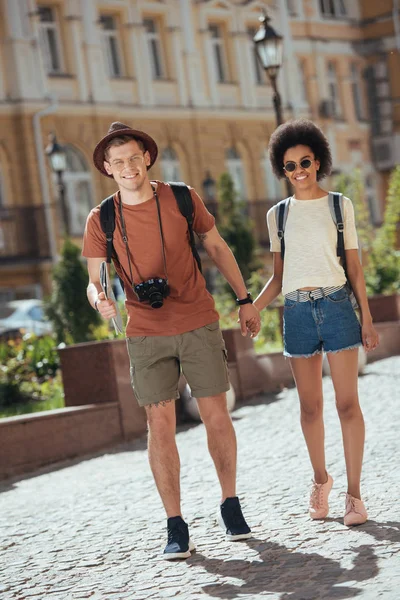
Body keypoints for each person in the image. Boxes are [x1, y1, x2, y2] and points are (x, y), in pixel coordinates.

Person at [82, 122, 260, 559]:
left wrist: (245, 299)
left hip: (197, 320)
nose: (127, 166)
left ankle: (230, 503)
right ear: (108, 168)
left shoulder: (181, 196)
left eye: (133, 157)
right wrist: (101, 301)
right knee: (158, 426)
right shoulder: (101, 217)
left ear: (147, 157)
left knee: (215, 414)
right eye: (117, 161)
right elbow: (94, 281)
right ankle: (175, 524)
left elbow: (216, 247)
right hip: (145, 332)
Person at [253, 119, 379, 527]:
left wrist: (368, 318)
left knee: (347, 405)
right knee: (309, 409)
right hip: (297, 313)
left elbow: (355, 268)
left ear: (319, 161)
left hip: (338, 306)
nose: (299, 170)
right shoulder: (278, 214)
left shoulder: (339, 205)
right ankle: (320, 480)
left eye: (305, 161)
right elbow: (278, 274)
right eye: (289, 165)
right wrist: (252, 307)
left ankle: (354, 495)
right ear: (281, 170)